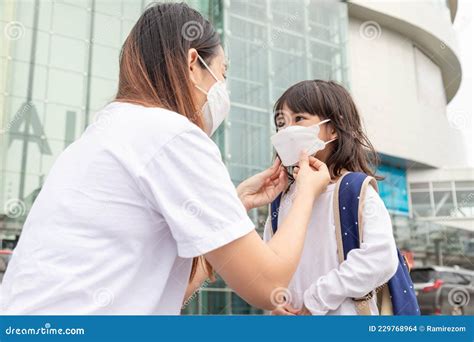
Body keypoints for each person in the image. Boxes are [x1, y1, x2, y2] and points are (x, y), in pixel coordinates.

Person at [0, 3, 330, 314]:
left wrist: (236, 203)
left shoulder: (103, 135)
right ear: (192, 63)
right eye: (222, 73)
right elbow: (269, 283)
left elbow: (166, 289)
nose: (223, 88)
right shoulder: (172, 135)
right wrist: (305, 193)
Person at [266, 80, 399, 315]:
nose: (287, 129)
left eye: (298, 119)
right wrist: (273, 300)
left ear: (334, 128)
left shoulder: (354, 190)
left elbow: (381, 258)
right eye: (281, 122)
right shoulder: (281, 200)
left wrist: (315, 299)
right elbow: (267, 261)